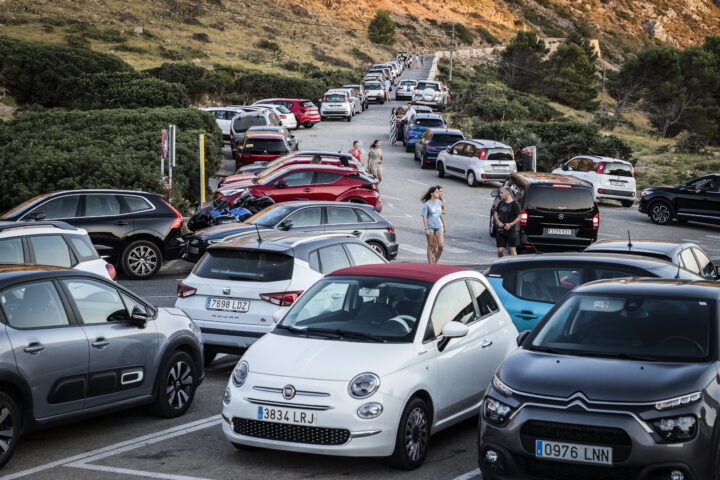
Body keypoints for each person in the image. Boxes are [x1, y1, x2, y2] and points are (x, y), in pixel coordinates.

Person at [494, 186, 522, 257]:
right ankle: (501, 263)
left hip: (511, 231)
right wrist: (499, 222)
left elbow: (519, 217)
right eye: (500, 193)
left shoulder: (515, 204)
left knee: (512, 250)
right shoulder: (500, 203)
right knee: (500, 250)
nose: (500, 194)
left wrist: (511, 224)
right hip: (501, 231)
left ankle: (514, 265)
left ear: (508, 193)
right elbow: (495, 214)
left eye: (501, 193)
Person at [421, 185, 445, 264]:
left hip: (439, 226)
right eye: (437, 192)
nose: (439, 193)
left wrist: (444, 224)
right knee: (431, 246)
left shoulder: (439, 202)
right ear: (432, 193)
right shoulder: (426, 204)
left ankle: (436, 262)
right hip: (430, 226)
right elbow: (424, 217)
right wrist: (426, 228)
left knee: (441, 245)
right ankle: (431, 264)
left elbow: (441, 213)